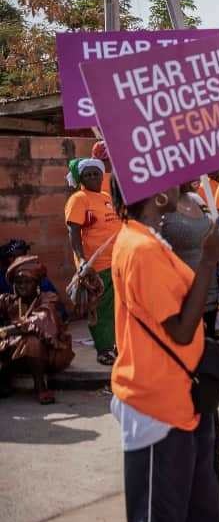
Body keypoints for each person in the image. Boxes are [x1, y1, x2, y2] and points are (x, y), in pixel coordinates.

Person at [109, 174, 219, 522]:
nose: (181, 180)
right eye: (169, 177)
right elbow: (179, 331)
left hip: (178, 400)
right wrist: (208, 260)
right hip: (154, 406)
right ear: (159, 195)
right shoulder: (141, 249)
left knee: (196, 517)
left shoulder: (150, 241)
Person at [160, 181, 219, 522]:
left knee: (209, 432)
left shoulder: (196, 200)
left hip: (214, 315)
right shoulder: (158, 209)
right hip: (186, 318)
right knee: (203, 432)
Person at [64, 157, 121, 366]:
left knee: (117, 306)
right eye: (87, 175)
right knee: (101, 308)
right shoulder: (79, 199)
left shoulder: (106, 196)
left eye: (95, 173)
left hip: (117, 261)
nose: (92, 177)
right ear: (81, 178)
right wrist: (81, 261)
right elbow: (73, 231)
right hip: (96, 266)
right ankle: (104, 349)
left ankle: (115, 344)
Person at [0, 256, 74, 403]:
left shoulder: (49, 299)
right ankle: (4, 381)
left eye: (28, 282)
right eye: (18, 282)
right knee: (11, 343)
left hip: (49, 355)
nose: (22, 286)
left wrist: (4, 331)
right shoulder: (9, 300)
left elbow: (35, 322)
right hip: (20, 355)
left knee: (31, 340)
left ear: (37, 284)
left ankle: (41, 387)